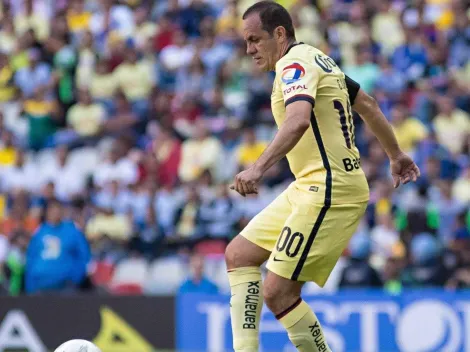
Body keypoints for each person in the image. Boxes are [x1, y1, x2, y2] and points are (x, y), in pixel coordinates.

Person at [225, 2, 421, 352]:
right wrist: (396, 155)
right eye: (246, 41)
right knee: (239, 254)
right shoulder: (318, 59)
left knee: (278, 292)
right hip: (310, 184)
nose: (249, 49)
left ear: (280, 34)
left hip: (330, 189)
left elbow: (298, 119)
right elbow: (370, 106)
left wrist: (257, 167)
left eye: (255, 39)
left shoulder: (294, 64)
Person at [25, 199, 91, 294]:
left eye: (57, 210)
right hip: (40, 285)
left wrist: (76, 276)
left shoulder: (72, 231)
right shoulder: (40, 232)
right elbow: (31, 257)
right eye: (52, 210)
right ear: (46, 212)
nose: (55, 213)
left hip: (65, 285)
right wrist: (30, 284)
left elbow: (84, 255)